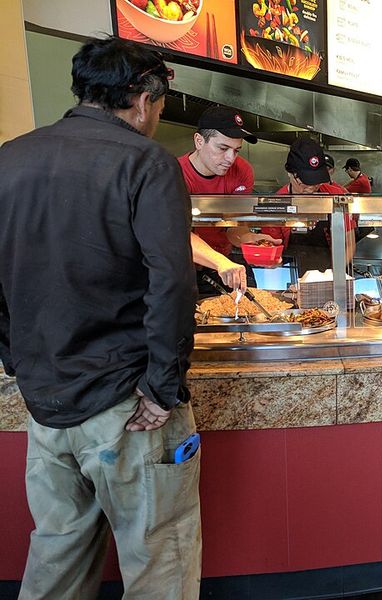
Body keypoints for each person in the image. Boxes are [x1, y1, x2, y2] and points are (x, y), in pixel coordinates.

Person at [0, 37, 200, 599]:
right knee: (160, 554)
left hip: (47, 402)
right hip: (128, 403)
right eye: (160, 107)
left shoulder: (8, 158)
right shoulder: (145, 161)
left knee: (56, 549)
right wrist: (162, 387)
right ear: (142, 98)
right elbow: (171, 280)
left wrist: (19, 360)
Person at [179, 105, 285, 296]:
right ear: (199, 141)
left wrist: (250, 240)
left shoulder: (242, 171)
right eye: (223, 148)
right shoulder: (174, 174)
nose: (230, 158)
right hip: (184, 269)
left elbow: (232, 225)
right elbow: (177, 236)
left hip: (225, 263)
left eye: (236, 150)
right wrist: (219, 262)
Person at [277, 138, 355, 274]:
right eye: (306, 181)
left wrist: (334, 276)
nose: (312, 187)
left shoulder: (336, 197)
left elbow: (348, 243)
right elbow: (272, 248)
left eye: (317, 180)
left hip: (334, 275)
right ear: (289, 173)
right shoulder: (277, 202)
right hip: (293, 277)